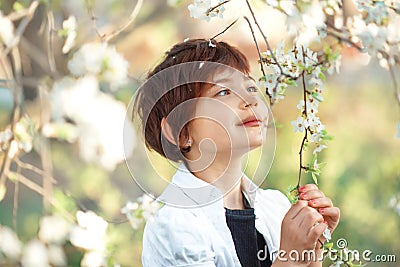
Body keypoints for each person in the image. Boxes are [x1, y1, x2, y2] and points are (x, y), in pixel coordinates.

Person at [134, 38, 340, 267]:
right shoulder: (175, 222)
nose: (250, 100)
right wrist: (288, 259)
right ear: (179, 133)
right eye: (223, 92)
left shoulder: (275, 206)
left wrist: (311, 249)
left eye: (251, 87)